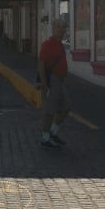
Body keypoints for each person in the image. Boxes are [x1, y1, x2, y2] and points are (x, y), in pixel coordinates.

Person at [38, 18, 71, 148]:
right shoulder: (48, 44)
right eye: (59, 27)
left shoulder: (59, 44)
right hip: (52, 80)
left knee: (66, 107)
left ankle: (52, 132)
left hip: (60, 81)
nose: (62, 30)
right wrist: (44, 84)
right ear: (53, 29)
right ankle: (45, 138)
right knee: (50, 111)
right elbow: (41, 64)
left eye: (64, 27)